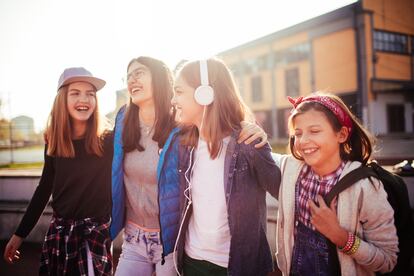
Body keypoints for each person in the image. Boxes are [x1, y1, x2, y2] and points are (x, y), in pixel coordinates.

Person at [110, 56, 268, 276]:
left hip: (172, 241)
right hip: (137, 238)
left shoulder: (183, 126)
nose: (131, 80)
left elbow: (217, 126)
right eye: (128, 76)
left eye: (138, 73)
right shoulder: (123, 120)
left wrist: (250, 130)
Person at [157, 57, 281, 276]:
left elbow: (284, 191)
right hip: (191, 262)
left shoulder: (248, 144)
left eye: (179, 91)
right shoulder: (182, 145)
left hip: (237, 267)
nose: (173, 100)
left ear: (205, 93)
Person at [3, 67, 113, 275]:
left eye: (90, 94)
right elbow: (44, 188)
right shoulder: (53, 140)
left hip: (93, 237)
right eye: (75, 93)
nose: (85, 99)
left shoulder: (108, 140)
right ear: (62, 99)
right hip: (59, 235)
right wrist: (19, 234)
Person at [274, 93, 398, 275]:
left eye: (314, 131)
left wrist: (339, 236)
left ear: (341, 134)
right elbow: (264, 158)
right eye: (297, 133)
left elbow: (387, 260)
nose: (303, 141)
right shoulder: (292, 171)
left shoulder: (365, 187)